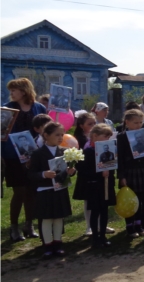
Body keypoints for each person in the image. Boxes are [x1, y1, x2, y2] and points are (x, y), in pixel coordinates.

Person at [2, 78, 47, 242]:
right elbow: (1, 134)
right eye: (11, 90)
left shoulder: (39, 107)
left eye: (14, 90)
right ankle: (14, 228)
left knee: (31, 191)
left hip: (33, 154)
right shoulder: (8, 109)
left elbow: (45, 128)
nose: (11, 93)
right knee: (19, 191)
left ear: (24, 91)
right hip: (12, 155)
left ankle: (29, 224)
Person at [27, 122, 75, 258]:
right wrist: (44, 174)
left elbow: (66, 171)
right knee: (47, 219)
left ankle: (58, 244)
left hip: (60, 189)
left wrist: (71, 171)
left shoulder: (64, 151)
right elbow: (31, 174)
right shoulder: (38, 153)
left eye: (62, 134)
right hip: (45, 190)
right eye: (57, 135)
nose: (60, 137)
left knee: (59, 218)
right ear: (46, 135)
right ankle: (47, 245)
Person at [77, 124, 117, 248]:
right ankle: (95, 237)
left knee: (104, 211)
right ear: (95, 136)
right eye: (105, 136)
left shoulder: (111, 151)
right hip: (94, 186)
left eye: (109, 137)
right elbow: (82, 170)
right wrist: (98, 172)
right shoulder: (88, 151)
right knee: (95, 211)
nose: (108, 139)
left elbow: (112, 166)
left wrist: (111, 169)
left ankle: (103, 236)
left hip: (106, 184)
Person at [117, 109, 144, 238]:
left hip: (142, 170)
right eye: (135, 122)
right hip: (129, 172)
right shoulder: (121, 137)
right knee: (131, 200)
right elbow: (119, 158)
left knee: (143, 199)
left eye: (140, 122)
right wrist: (121, 176)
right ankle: (130, 227)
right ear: (127, 122)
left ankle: (139, 225)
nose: (138, 125)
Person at [72, 111, 97, 236]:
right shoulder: (78, 140)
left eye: (94, 123)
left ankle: (99, 223)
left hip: (98, 170)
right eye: (89, 124)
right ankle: (89, 226)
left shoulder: (98, 135)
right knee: (89, 200)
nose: (93, 125)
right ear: (81, 125)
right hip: (86, 172)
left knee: (100, 199)